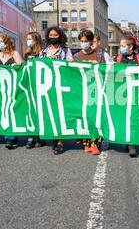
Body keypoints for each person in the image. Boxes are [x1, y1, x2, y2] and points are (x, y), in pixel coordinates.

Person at [70, 29, 105, 156]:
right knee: (83, 116)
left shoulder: (99, 55)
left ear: (91, 42)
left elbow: (105, 72)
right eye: (82, 41)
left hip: (94, 90)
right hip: (80, 91)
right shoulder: (76, 56)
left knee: (94, 116)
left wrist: (98, 65)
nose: (84, 43)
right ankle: (86, 143)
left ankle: (94, 143)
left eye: (86, 41)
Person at [39, 27, 73, 155]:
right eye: (51, 35)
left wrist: (58, 61)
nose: (53, 36)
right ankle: (53, 136)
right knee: (50, 112)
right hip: (47, 87)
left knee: (60, 113)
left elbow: (70, 63)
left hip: (61, 85)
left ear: (60, 36)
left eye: (55, 34)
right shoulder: (43, 51)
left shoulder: (65, 50)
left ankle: (60, 141)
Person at [0, 33, 24, 150]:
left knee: (12, 111)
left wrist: (16, 65)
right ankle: (9, 137)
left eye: (1, 41)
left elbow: (23, 67)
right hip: (2, 88)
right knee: (4, 111)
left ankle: (12, 136)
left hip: (14, 87)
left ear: (6, 42)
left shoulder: (15, 53)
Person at [115, 36, 139, 157]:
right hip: (120, 94)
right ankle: (126, 140)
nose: (120, 48)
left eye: (123, 46)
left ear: (130, 47)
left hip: (136, 93)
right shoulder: (118, 58)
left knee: (134, 117)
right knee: (123, 118)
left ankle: (132, 143)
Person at [24, 32, 47, 150]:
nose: (28, 41)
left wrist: (36, 61)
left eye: (30, 39)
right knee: (30, 111)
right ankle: (31, 137)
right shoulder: (27, 54)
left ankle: (40, 137)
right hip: (30, 86)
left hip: (41, 86)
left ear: (36, 40)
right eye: (27, 39)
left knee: (40, 111)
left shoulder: (42, 53)